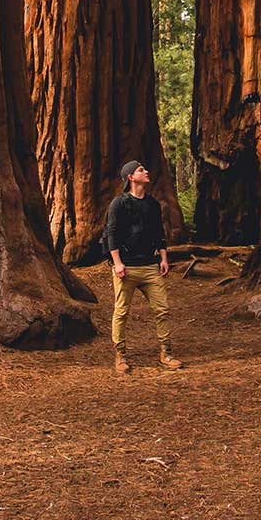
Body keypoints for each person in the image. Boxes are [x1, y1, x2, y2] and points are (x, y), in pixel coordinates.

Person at [104, 159, 179, 374]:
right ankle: (120, 356)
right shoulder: (119, 203)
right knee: (121, 312)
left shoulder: (153, 204)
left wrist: (164, 258)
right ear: (130, 177)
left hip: (150, 266)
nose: (146, 171)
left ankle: (166, 352)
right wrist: (117, 264)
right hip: (126, 268)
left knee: (162, 309)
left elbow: (159, 233)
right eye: (141, 170)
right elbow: (111, 234)